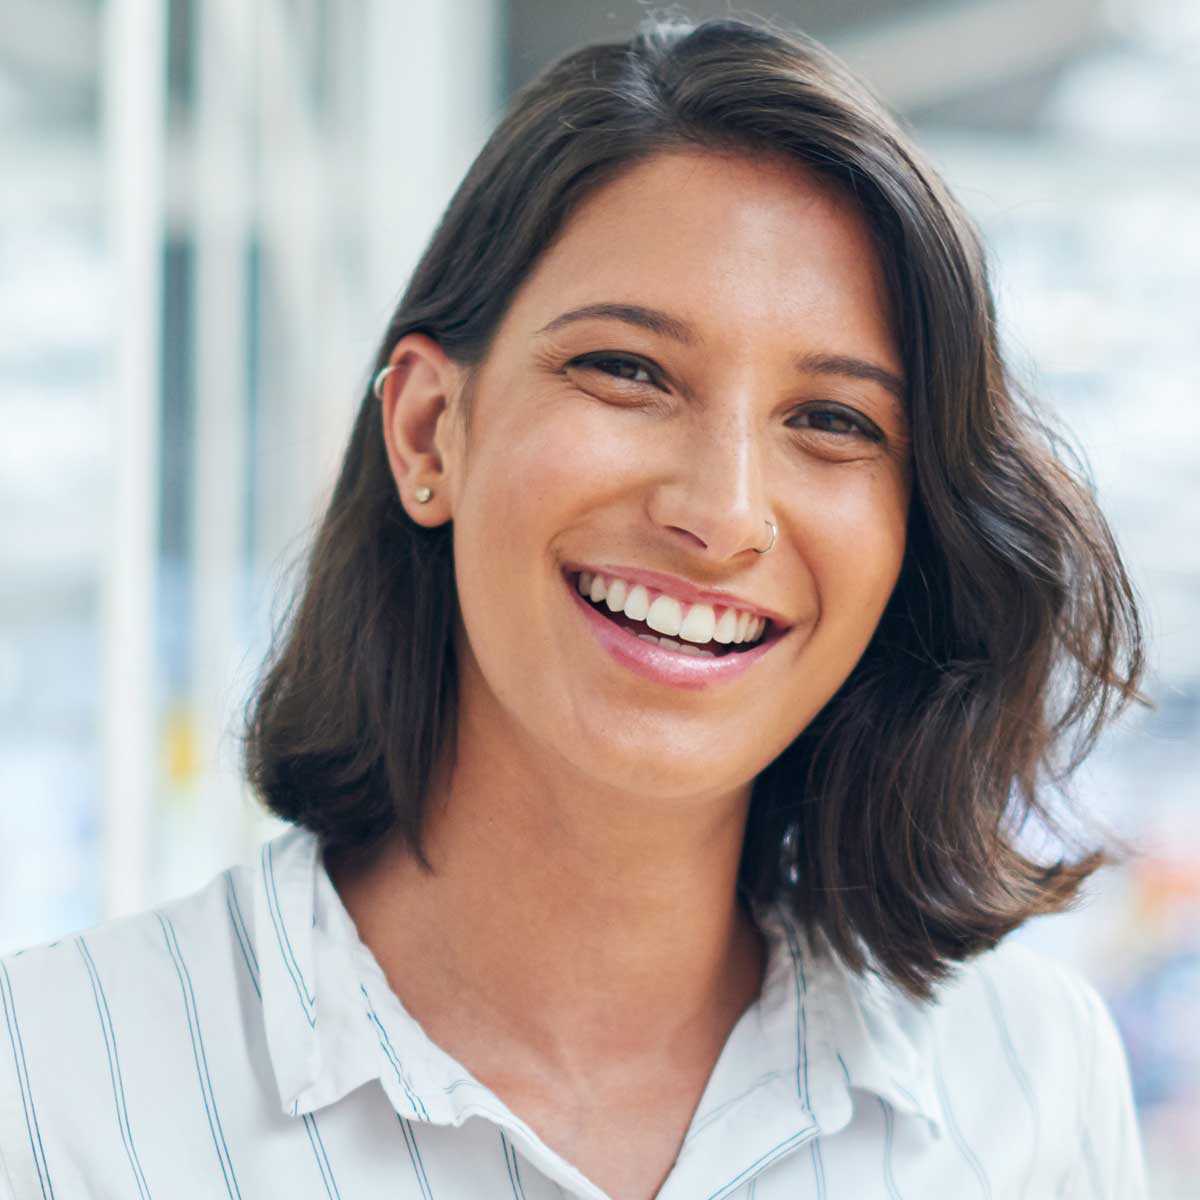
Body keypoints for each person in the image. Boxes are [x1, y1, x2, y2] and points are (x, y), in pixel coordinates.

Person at [0, 15, 1148, 1200]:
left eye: (833, 422)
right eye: (628, 371)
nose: (724, 514)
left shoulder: (1028, 1090)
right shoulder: (48, 1093)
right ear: (428, 431)